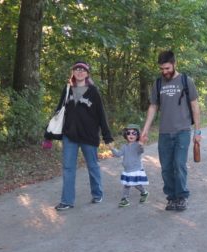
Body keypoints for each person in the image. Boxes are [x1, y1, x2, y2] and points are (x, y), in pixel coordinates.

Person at [44, 61, 114, 211]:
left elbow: (101, 115)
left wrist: (107, 137)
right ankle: (67, 201)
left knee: (92, 165)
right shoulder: (67, 89)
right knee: (68, 168)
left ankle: (97, 193)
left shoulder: (93, 91)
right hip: (70, 135)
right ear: (73, 72)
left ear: (87, 73)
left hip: (88, 136)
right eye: (77, 69)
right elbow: (59, 112)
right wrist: (48, 134)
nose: (80, 72)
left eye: (83, 70)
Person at [141, 50, 201, 211]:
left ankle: (181, 197)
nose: (164, 72)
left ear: (174, 64)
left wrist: (198, 132)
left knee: (179, 164)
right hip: (164, 133)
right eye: (162, 69)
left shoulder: (186, 81)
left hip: (182, 131)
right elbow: (153, 106)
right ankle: (172, 197)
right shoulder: (158, 83)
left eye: (167, 68)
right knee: (166, 167)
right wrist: (145, 130)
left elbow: (195, 106)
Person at [110, 124, 149, 207]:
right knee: (127, 185)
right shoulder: (124, 146)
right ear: (125, 135)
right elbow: (118, 154)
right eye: (128, 133)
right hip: (127, 170)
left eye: (134, 133)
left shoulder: (138, 145)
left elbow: (141, 150)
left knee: (136, 184)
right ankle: (125, 199)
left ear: (138, 135)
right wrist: (112, 148)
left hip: (135, 169)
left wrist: (142, 143)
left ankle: (144, 192)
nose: (131, 135)